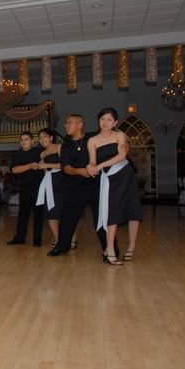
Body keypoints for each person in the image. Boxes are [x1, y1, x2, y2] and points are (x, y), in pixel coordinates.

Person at [48, 114, 114, 258]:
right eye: (66, 123)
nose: (66, 125)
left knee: (101, 218)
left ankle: (110, 250)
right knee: (68, 217)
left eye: (69, 123)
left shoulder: (92, 138)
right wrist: (80, 171)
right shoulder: (66, 145)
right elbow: (66, 168)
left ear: (79, 125)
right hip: (75, 186)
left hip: (96, 185)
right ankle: (62, 246)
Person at [86, 107, 143, 265]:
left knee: (132, 209)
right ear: (98, 121)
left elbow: (122, 155)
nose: (105, 122)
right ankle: (109, 249)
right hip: (109, 179)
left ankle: (131, 247)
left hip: (125, 174)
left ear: (115, 122)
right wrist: (91, 166)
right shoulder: (92, 140)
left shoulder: (120, 135)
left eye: (109, 119)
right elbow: (92, 161)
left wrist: (99, 166)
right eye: (102, 119)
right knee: (112, 211)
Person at [35, 129, 76, 248]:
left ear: (51, 138)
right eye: (40, 138)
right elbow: (45, 170)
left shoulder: (59, 148)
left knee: (66, 213)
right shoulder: (42, 154)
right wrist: (42, 167)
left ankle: (72, 239)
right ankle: (58, 240)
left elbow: (65, 165)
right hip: (50, 183)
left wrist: (47, 165)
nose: (42, 140)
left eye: (45, 137)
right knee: (51, 213)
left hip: (63, 181)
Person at [8, 131, 44, 247]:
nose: (23, 142)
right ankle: (19, 238)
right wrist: (30, 166)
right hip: (24, 187)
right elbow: (14, 170)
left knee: (38, 214)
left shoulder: (39, 151)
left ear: (32, 141)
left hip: (38, 187)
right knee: (23, 214)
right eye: (22, 140)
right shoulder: (17, 154)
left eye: (26, 139)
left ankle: (37, 240)